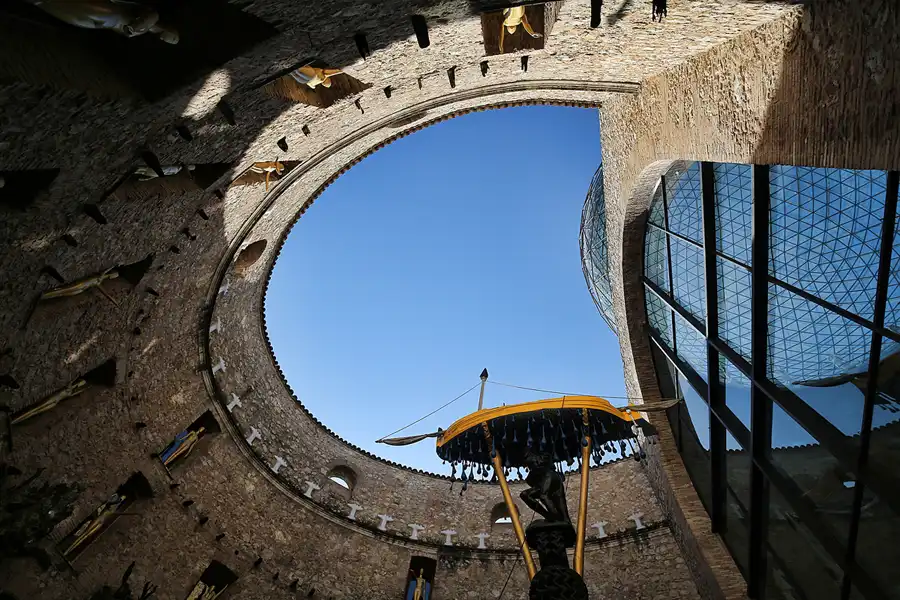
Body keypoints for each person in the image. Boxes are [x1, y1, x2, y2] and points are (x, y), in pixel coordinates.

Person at [26, 0, 179, 44]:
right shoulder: (152, 18)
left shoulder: (145, 30)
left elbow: (130, 31)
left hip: (105, 22)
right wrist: (134, 27)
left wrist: (133, 30)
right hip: (111, 15)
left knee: (70, 12)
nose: (166, 39)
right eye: (171, 37)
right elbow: (140, 22)